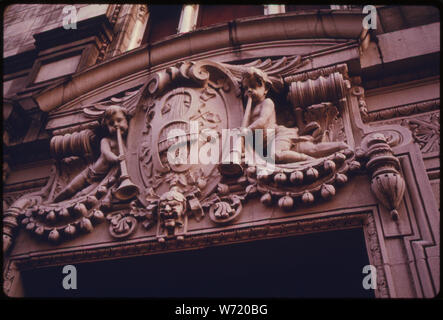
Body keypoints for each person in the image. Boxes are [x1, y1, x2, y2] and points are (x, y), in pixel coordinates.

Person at [241, 67, 349, 163]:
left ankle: (311, 160)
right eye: (246, 88)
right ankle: (338, 147)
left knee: (275, 155)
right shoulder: (250, 110)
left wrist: (246, 130)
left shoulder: (267, 102)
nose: (249, 91)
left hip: (279, 135)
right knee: (311, 149)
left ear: (265, 89)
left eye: (253, 87)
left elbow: (262, 121)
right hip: (269, 143)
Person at [54, 105, 128, 202]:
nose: (116, 124)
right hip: (90, 173)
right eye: (111, 123)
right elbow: (106, 153)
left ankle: (70, 203)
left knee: (83, 194)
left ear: (127, 120)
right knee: (69, 189)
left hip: (102, 178)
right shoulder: (106, 140)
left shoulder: (126, 142)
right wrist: (116, 159)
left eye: (119, 120)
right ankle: (54, 201)